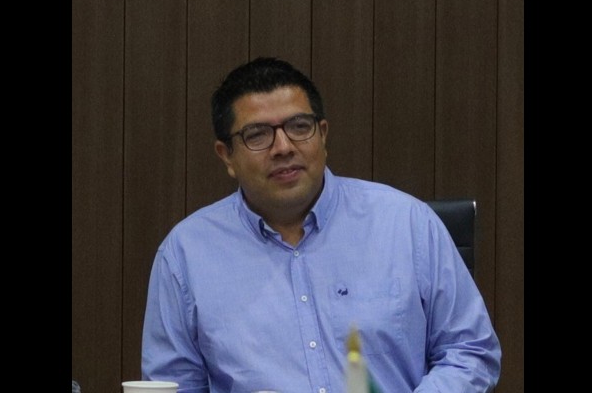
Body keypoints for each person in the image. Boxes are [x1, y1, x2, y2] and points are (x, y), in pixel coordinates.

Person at [141, 57, 501, 393]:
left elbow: (470, 350)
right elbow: (174, 385)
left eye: (300, 127)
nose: (283, 147)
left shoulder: (407, 223)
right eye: (257, 135)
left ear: (323, 135)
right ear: (227, 156)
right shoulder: (186, 254)